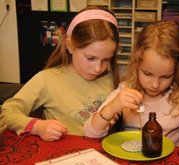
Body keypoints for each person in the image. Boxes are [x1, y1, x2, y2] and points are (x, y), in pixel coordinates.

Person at [84, 21, 179, 164]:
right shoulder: (126, 89)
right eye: (148, 73)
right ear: (137, 64)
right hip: (130, 159)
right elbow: (90, 132)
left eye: (166, 76)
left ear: (178, 70)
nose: (155, 85)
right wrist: (112, 107)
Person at [2, 6, 120, 141]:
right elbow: (7, 112)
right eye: (91, 58)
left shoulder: (112, 79)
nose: (98, 68)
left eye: (106, 59)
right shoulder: (47, 79)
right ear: (70, 46)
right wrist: (38, 127)